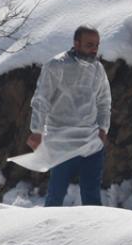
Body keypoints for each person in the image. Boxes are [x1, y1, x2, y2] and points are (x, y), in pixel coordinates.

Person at [11, 25, 112, 207]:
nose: (94, 49)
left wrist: (103, 128)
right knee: (56, 195)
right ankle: (47, 232)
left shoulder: (98, 69)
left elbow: (104, 101)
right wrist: (36, 131)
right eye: (89, 44)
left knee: (92, 195)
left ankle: (95, 232)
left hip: (91, 141)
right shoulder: (56, 65)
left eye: (97, 45)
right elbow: (41, 99)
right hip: (61, 140)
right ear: (76, 43)